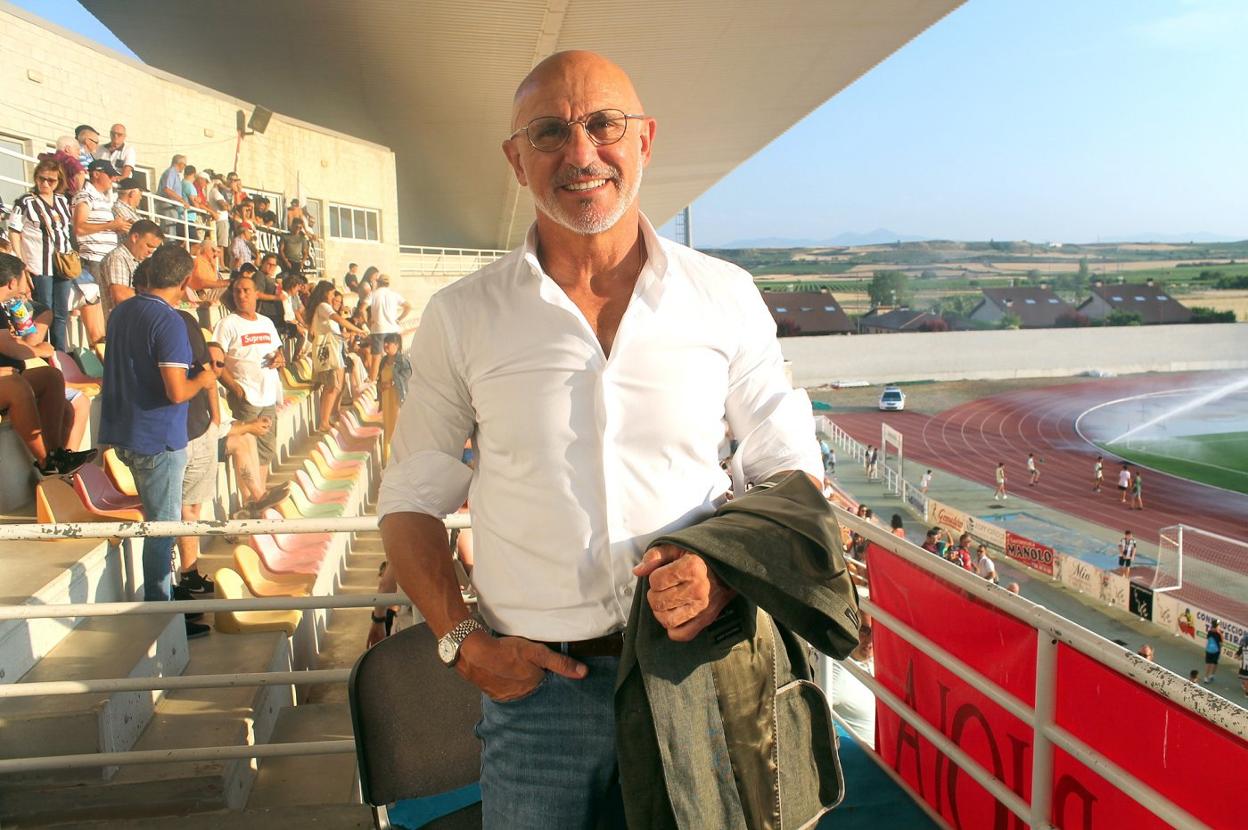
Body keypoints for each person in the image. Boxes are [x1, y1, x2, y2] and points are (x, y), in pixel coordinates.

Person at [377, 51, 824, 827]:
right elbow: (411, 500)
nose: (581, 154)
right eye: (550, 132)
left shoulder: (723, 296)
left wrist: (723, 574)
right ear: (517, 161)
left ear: (644, 140)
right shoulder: (463, 316)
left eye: (603, 125)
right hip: (540, 692)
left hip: (701, 669)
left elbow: (789, 474)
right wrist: (460, 642)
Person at [98, 245, 216, 637]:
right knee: (161, 530)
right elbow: (177, 391)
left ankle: (163, 603)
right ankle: (162, 616)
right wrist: (206, 378)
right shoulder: (169, 323)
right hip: (158, 441)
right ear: (184, 283)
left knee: (158, 526)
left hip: (125, 435)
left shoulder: (122, 311)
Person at [0, 254, 95, 477]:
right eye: (25, 276)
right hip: (7, 381)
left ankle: (56, 454)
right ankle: (45, 462)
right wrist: (40, 350)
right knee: (16, 385)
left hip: (9, 376)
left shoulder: (8, 307)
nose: (29, 282)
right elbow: (6, 345)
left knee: (51, 376)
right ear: (13, 282)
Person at [213, 275, 284, 484]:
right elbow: (217, 362)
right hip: (246, 398)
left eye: (246, 290)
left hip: (268, 396)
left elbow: (278, 352)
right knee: (247, 449)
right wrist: (235, 388)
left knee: (265, 450)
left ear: (256, 294)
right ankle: (250, 500)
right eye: (237, 291)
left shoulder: (267, 322)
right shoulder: (226, 324)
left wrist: (279, 358)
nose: (242, 295)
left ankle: (261, 494)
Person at [305, 280, 367, 432]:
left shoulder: (320, 307)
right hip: (330, 352)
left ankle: (329, 417)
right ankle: (324, 421)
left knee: (334, 385)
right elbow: (338, 319)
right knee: (332, 386)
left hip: (334, 350)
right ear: (326, 293)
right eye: (332, 293)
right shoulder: (324, 306)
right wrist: (357, 330)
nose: (333, 297)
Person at [99, 219, 163, 319]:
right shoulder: (117, 257)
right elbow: (120, 295)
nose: (151, 251)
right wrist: (156, 297)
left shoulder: (138, 260)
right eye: (149, 245)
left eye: (154, 248)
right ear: (135, 237)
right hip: (121, 326)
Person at [366, 274, 411, 380]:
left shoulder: (373, 294)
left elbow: (362, 308)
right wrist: (399, 318)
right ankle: (400, 377)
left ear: (378, 282)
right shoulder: (394, 294)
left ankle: (372, 379)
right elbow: (408, 306)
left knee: (376, 356)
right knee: (396, 355)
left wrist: (368, 323)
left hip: (378, 328)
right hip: (393, 328)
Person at [377, 332, 412, 464]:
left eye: (389, 343)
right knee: (388, 428)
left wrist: (392, 383)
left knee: (397, 428)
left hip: (397, 398)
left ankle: (399, 460)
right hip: (386, 398)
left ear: (397, 345)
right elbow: (379, 378)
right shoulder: (383, 361)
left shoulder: (402, 360)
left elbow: (408, 374)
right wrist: (380, 386)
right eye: (385, 342)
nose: (385, 345)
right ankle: (388, 460)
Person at [157, 155, 188, 235]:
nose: (184, 167)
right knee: (170, 229)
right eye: (184, 165)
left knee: (171, 228)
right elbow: (167, 189)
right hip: (167, 205)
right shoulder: (171, 172)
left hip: (172, 206)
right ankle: (170, 245)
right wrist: (182, 201)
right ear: (180, 163)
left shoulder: (175, 174)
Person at [1236, 631, 1248, 697]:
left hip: (1244, 666)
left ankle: (1247, 693)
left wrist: (1240, 657)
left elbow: (1237, 656)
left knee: (1246, 678)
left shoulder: (1242, 648)